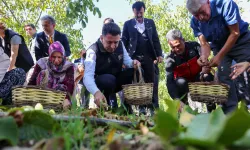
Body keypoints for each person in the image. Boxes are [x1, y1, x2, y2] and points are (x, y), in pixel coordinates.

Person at [186, 0, 250, 113]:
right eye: (196, 15)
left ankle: (247, 109)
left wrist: (219, 57)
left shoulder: (226, 5)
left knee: (246, 72)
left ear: (207, 2)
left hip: (240, 42)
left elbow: (234, 33)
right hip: (218, 46)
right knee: (223, 77)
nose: (200, 17)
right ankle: (230, 115)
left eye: (202, 12)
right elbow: (204, 43)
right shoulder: (195, 22)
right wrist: (204, 56)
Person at [83, 22, 141, 110]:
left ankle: (127, 107)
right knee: (108, 80)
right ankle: (105, 106)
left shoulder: (120, 44)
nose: (113, 46)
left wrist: (133, 63)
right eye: (109, 42)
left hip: (117, 80)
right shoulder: (93, 50)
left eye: (116, 42)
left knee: (135, 70)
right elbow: (87, 76)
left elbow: (127, 61)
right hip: (102, 83)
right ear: (102, 38)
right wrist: (96, 92)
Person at [122, 1, 163, 114]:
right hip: (134, 57)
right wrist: (123, 59)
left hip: (149, 56)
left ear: (144, 10)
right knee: (138, 80)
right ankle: (141, 107)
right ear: (133, 11)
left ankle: (153, 107)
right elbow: (124, 42)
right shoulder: (128, 24)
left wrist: (159, 54)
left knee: (152, 81)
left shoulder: (150, 22)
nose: (139, 14)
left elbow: (155, 39)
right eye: (136, 12)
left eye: (141, 11)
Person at [165, 29, 215, 112]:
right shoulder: (170, 59)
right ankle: (186, 111)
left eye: (178, 45)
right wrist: (177, 100)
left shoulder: (194, 46)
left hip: (199, 78)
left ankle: (211, 110)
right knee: (179, 82)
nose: (176, 49)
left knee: (208, 77)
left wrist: (205, 67)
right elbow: (169, 82)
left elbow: (205, 59)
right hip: (184, 85)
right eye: (173, 47)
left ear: (183, 40)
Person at [28, 41, 74, 109]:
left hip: (60, 97)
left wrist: (66, 98)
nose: (56, 60)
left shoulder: (68, 66)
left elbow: (70, 85)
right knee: (44, 73)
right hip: (42, 96)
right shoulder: (42, 63)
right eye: (53, 57)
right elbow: (32, 82)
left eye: (59, 57)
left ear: (63, 56)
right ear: (50, 56)